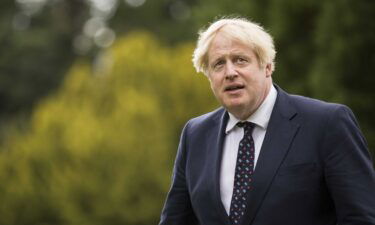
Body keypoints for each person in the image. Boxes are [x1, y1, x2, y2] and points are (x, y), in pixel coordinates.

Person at [159, 17, 375, 225]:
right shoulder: (195, 134)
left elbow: (362, 218)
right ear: (209, 77)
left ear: (268, 66)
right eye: (218, 64)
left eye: (240, 60)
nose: (230, 72)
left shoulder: (327, 123)